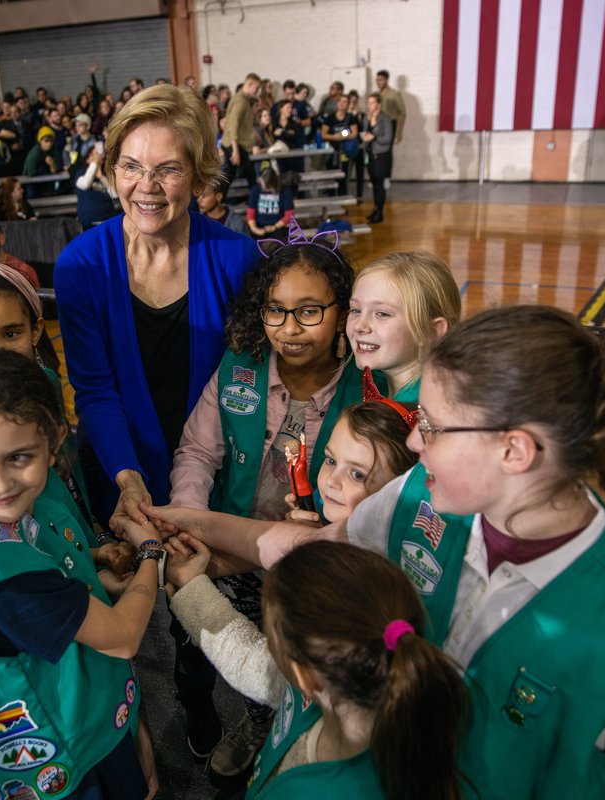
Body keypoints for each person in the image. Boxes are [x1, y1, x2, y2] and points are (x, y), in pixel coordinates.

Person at [153, 305, 605, 799]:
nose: (415, 441)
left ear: (514, 450)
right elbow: (300, 547)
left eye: (434, 426)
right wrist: (175, 522)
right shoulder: (412, 495)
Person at [54, 82, 258, 757]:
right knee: (131, 595)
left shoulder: (235, 257)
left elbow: (245, 385)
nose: (148, 185)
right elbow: (96, 388)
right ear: (112, 172)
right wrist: (127, 477)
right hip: (123, 460)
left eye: (168, 167)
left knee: (202, 588)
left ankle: (199, 699)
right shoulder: (82, 264)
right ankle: (127, 722)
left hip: (213, 464)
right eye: (132, 166)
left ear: (199, 175)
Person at [167, 227, 367, 778]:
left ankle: (266, 722)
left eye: (308, 312)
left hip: (306, 555)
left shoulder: (365, 391)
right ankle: (198, 708)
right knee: (197, 634)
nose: (289, 329)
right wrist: (195, 524)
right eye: (275, 311)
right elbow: (197, 452)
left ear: (342, 311)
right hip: (229, 542)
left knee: (282, 653)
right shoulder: (239, 368)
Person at [0, 348, 161, 800]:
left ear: (52, 443)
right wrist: (150, 550)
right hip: (66, 760)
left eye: (18, 457)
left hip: (85, 719)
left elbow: (51, 583)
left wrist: (92, 580)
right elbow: (123, 636)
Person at [164, 539, 467, 800]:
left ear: (303, 676)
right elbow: (247, 658)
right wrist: (191, 583)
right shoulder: (343, 682)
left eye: (269, 636)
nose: (264, 644)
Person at [348, 252, 461, 403]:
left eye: (382, 314)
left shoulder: (418, 413)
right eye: (356, 310)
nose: (359, 326)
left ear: (433, 332)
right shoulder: (380, 385)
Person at [360, 93, 394, 224]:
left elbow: (388, 139)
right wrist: (364, 138)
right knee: (374, 183)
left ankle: (380, 211)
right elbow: (365, 133)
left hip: (381, 155)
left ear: (378, 104)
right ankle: (375, 208)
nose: (369, 105)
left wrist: (374, 137)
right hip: (369, 153)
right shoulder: (366, 118)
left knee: (379, 184)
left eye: (372, 103)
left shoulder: (385, 119)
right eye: (368, 103)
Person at [224, 73, 263, 184]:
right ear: (250, 84)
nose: (257, 90)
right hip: (235, 146)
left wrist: (254, 135)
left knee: (249, 178)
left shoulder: (244, 100)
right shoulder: (240, 101)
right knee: (227, 181)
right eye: (257, 87)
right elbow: (233, 126)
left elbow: (243, 124)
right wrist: (235, 151)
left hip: (240, 145)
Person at [246, 168, 294, 239]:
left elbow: (289, 214)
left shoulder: (285, 191)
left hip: (279, 227)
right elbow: (250, 213)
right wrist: (254, 229)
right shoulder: (255, 190)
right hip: (259, 226)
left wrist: (275, 227)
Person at [374, 70, 406, 149]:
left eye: (381, 80)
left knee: (387, 149)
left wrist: (399, 131)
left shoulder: (394, 94)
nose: (378, 82)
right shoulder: (376, 95)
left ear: (386, 80)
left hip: (390, 123)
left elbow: (402, 112)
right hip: (378, 123)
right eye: (377, 80)